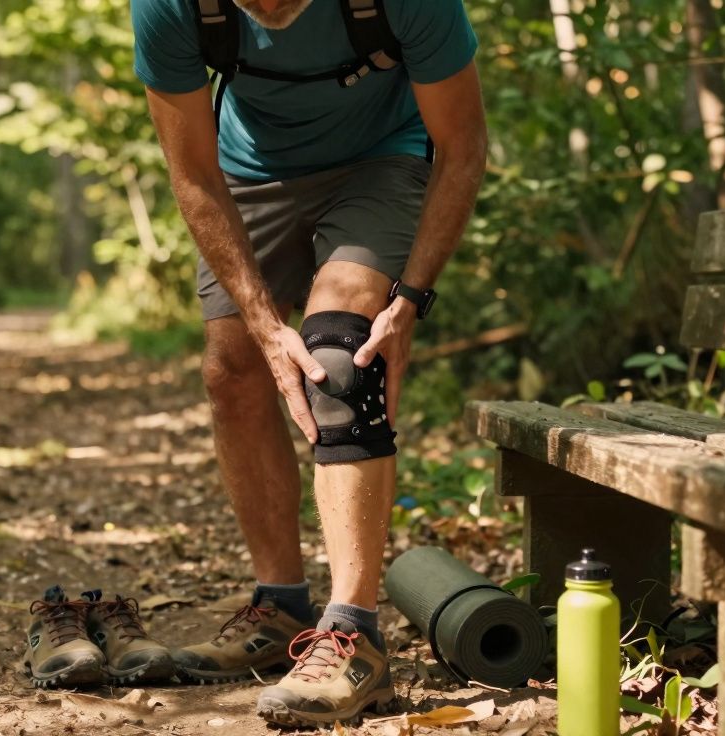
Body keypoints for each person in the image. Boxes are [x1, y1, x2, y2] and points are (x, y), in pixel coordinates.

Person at [131, 0, 486, 725]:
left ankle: (354, 633)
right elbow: (191, 169)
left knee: (341, 355)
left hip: (381, 157)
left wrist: (410, 296)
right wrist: (262, 325)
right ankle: (280, 609)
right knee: (231, 369)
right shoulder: (167, 6)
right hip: (245, 170)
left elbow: (464, 142)